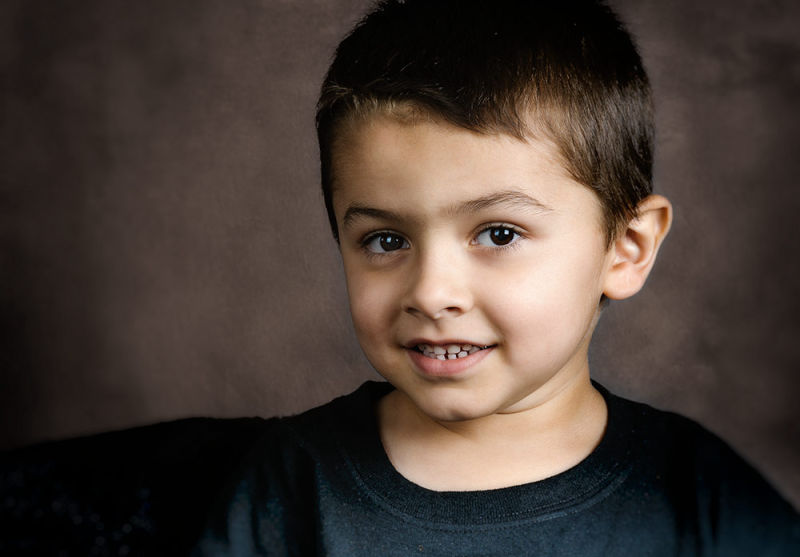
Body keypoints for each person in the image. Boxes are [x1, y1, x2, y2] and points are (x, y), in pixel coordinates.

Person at [195, 0, 799, 555]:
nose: (431, 293)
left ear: (626, 248)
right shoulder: (292, 486)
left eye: (499, 234)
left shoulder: (705, 499)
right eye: (387, 240)